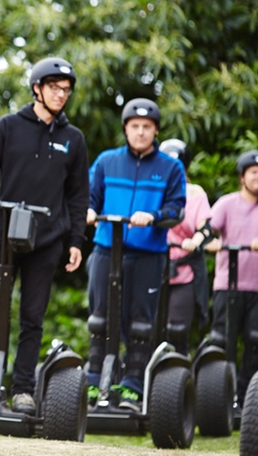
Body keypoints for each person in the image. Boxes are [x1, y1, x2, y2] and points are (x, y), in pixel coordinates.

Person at [0, 57, 89, 413]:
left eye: (66, 90)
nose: (61, 95)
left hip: (47, 239)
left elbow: (79, 196)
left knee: (32, 317)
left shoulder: (73, 139)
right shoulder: (8, 127)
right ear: (37, 89)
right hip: (3, 234)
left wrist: (76, 242)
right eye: (54, 88)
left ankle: (22, 391)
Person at [85, 98, 186, 412]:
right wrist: (88, 210)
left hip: (147, 254)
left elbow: (177, 208)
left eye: (147, 127)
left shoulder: (170, 167)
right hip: (106, 250)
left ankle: (131, 386)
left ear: (155, 131)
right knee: (100, 318)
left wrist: (154, 215)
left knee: (140, 323)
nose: (140, 132)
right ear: (126, 129)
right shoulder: (106, 161)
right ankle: (94, 382)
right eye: (135, 127)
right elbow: (89, 195)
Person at [205, 150, 258, 408]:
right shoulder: (226, 203)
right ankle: (218, 400)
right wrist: (211, 242)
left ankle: (249, 402)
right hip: (228, 285)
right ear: (242, 177)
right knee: (222, 341)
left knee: (256, 342)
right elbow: (208, 229)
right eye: (254, 173)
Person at [160, 139, 214, 355]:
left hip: (184, 269)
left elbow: (206, 228)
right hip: (154, 266)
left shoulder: (194, 193)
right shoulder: (154, 190)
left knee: (177, 329)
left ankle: (178, 369)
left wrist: (195, 241)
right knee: (146, 327)